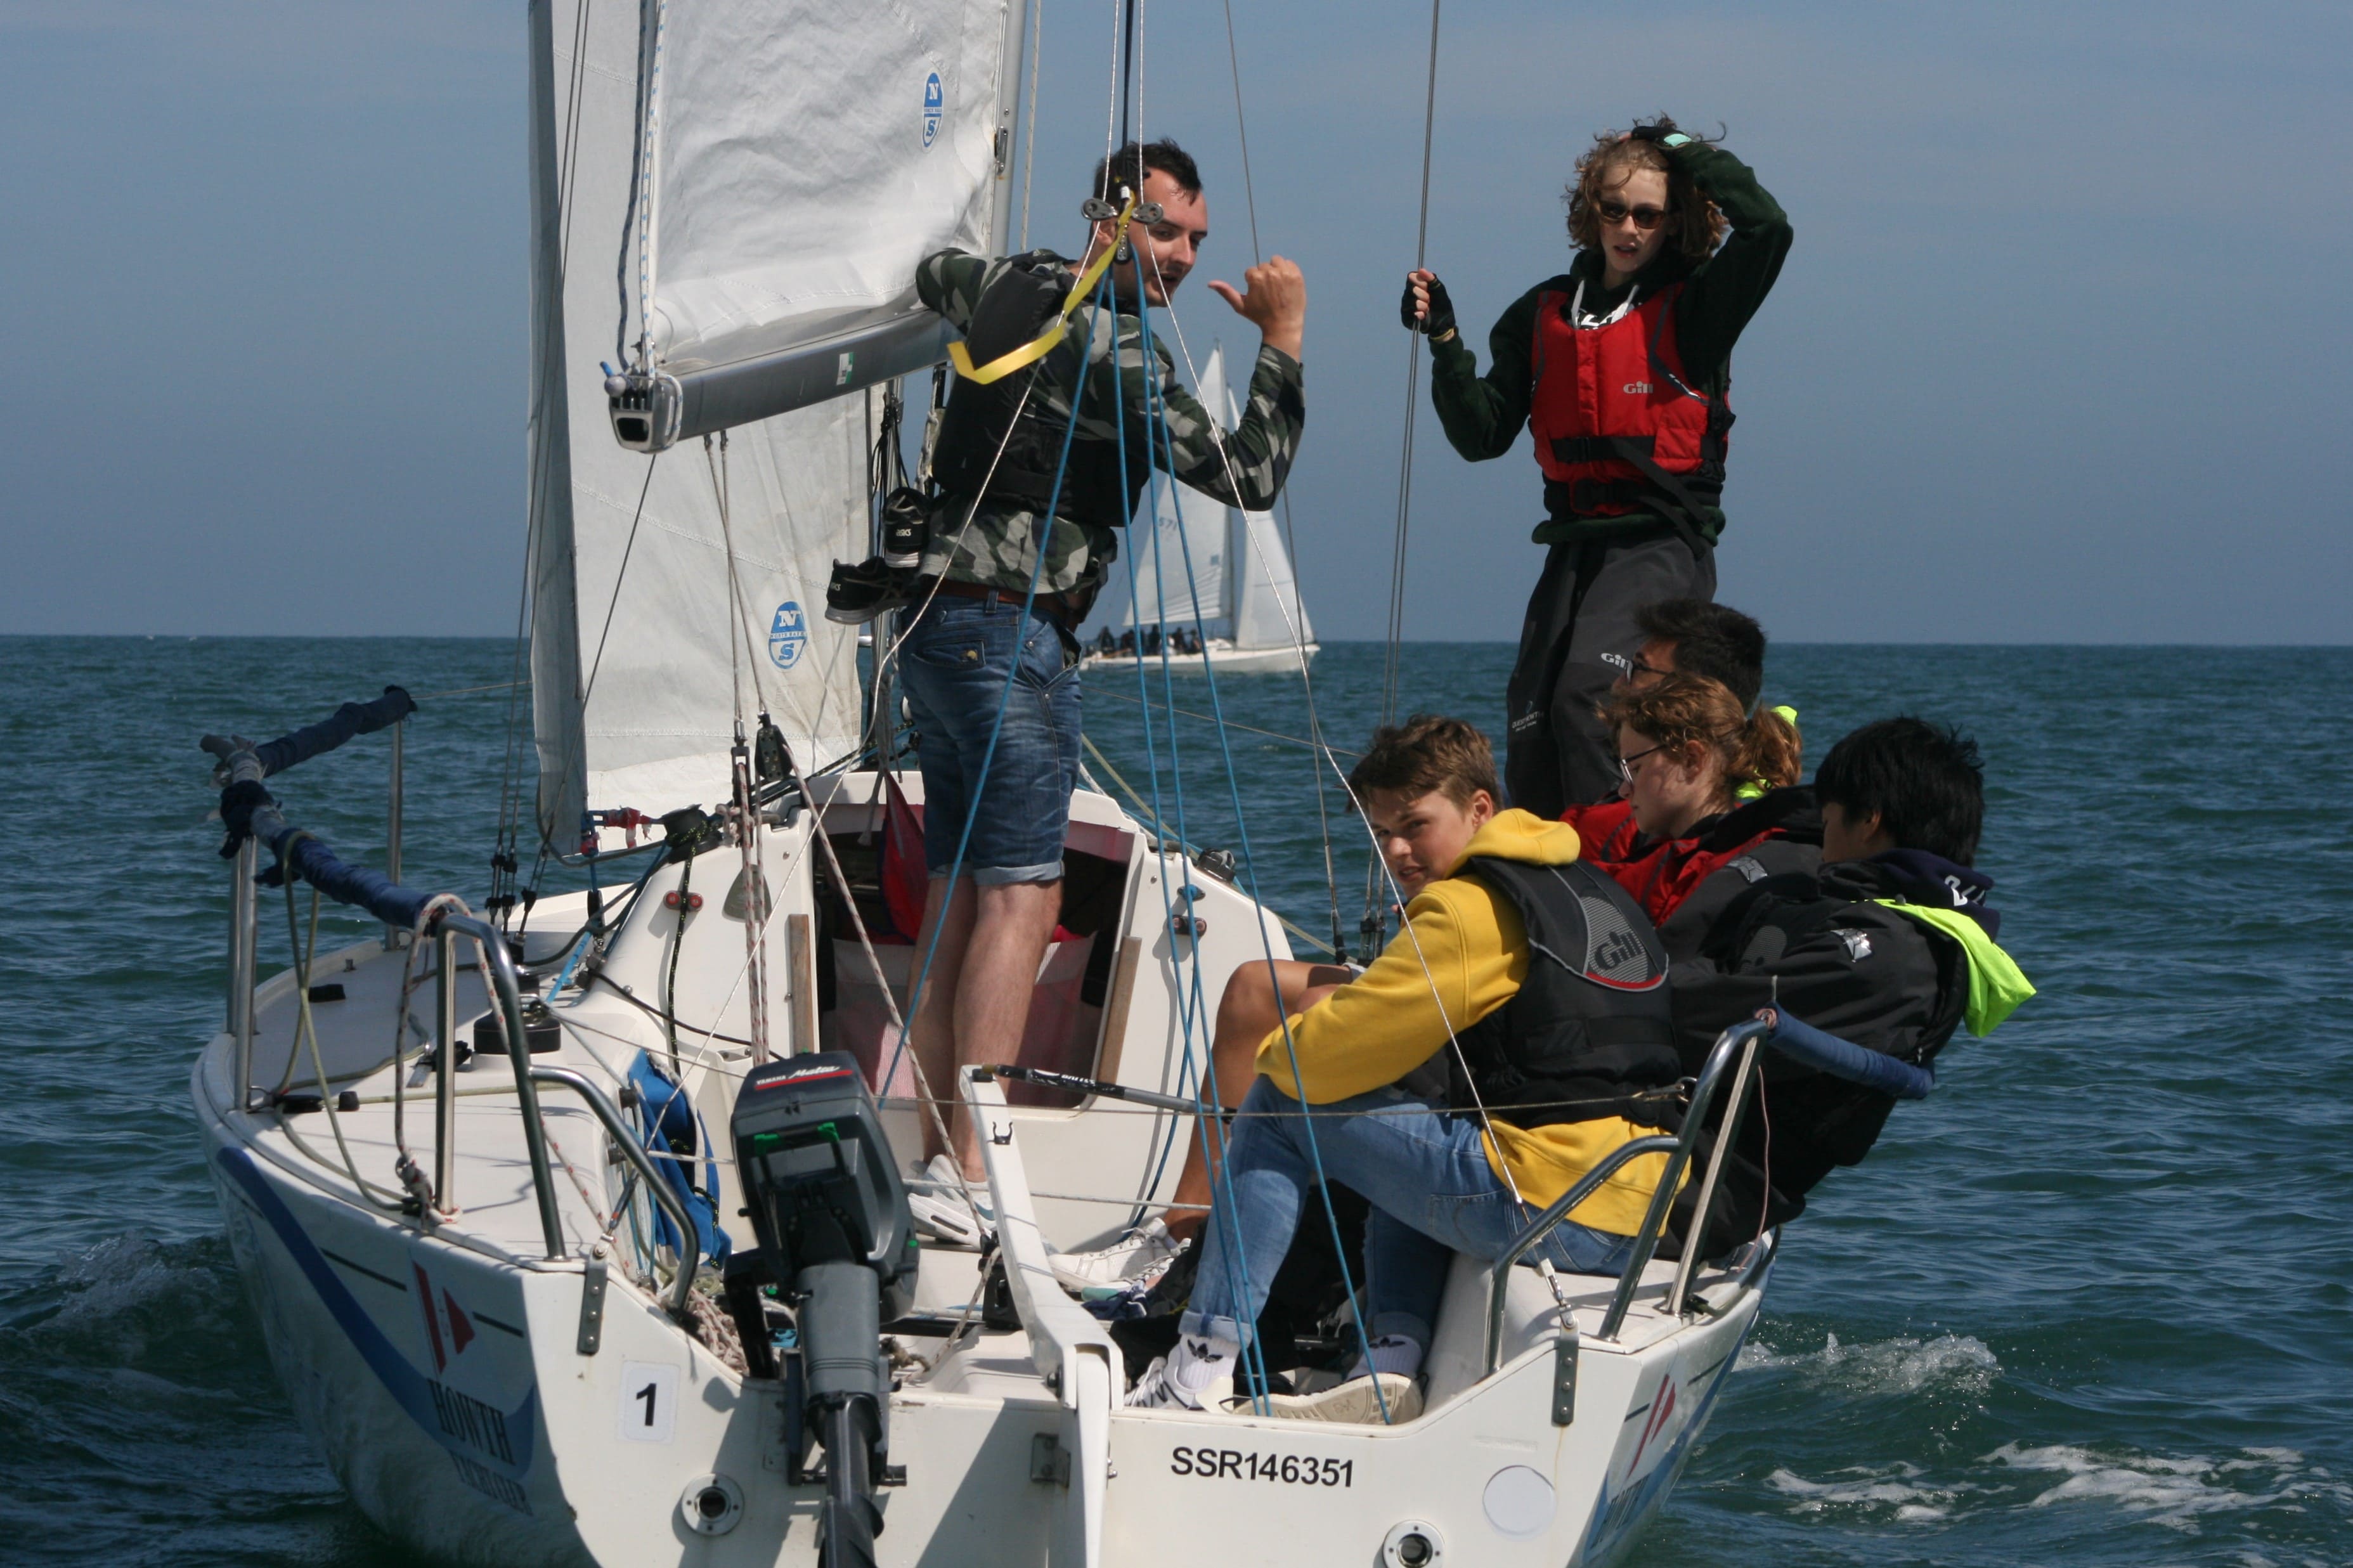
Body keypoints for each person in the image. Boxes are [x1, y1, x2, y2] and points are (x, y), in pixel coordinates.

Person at [903, 139, 1309, 1189]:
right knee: (1021, 900)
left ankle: (942, 1149)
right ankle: (972, 1175)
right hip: (1009, 631)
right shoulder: (1117, 347)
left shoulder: (1010, 286)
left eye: (1195, 240)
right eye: (1166, 230)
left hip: (934, 628)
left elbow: (933, 275)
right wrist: (1283, 337)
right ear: (1113, 216)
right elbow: (1245, 472)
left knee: (961, 891)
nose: (1180, 255)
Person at [1124, 716, 1687, 1420]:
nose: (1396, 849)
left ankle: (1197, 1366)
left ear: (1481, 808)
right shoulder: (1583, 885)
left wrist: (1285, 1047)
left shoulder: (1467, 907)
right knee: (1425, 1124)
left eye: (1415, 826)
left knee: (1277, 1103)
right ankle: (1388, 1358)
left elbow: (1314, 1064)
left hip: (1558, 1206)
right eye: (1382, 831)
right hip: (1646, 1195)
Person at [1404, 118, 1791, 817]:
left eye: (1649, 214)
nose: (1630, 228)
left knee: (1592, 693)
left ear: (1673, 221)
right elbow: (1482, 434)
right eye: (1615, 209)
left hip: (1660, 541)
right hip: (1575, 541)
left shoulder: (1698, 307)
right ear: (1592, 210)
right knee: (1531, 712)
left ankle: (1617, 865)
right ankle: (1549, 881)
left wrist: (1682, 152)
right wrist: (1446, 341)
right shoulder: (1544, 311)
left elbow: (1769, 229)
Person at [1662, 718, 2035, 1260]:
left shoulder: (1891, 956)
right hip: (1657, 1147)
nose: (1821, 837)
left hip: (1681, 1192)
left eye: (1830, 818)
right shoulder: (1847, 915)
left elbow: (1686, 1016)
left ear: (1869, 821)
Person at [1566, 673, 1815, 961]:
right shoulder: (1754, 846)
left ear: (1691, 760)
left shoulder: (1708, 872)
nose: (1623, 790)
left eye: (1634, 768)